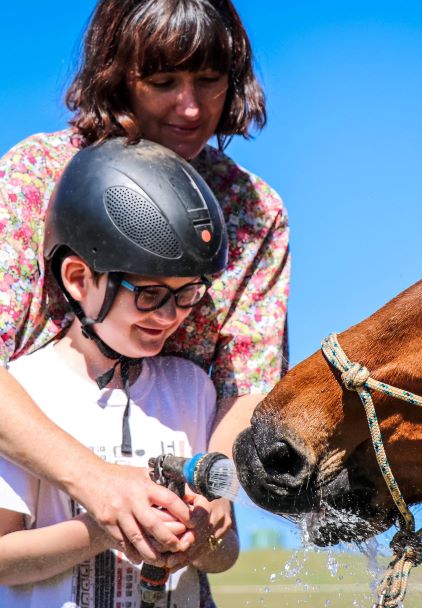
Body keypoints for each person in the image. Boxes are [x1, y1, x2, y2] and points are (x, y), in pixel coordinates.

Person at [0, 0, 288, 566]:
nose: (191, 107)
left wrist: (214, 490)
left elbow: (245, 384)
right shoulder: (33, 178)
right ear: (116, 77)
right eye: (163, 81)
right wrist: (100, 486)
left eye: (210, 80)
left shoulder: (254, 212)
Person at [0, 138, 239, 606]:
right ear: (78, 278)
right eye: (149, 293)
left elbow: (226, 553)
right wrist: (103, 529)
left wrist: (205, 533)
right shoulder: (26, 393)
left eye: (188, 293)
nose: (170, 315)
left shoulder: (192, 390)